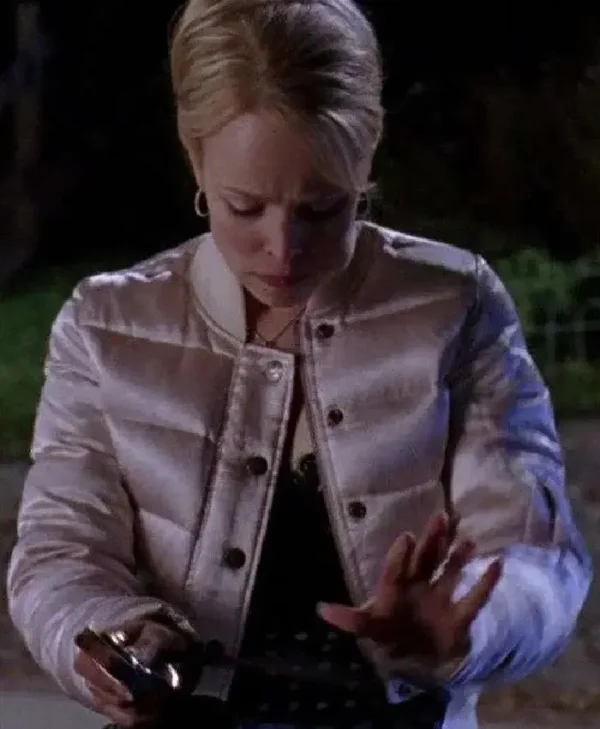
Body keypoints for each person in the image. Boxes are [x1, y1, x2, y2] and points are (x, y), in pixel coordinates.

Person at [7, 0, 592, 727]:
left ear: (366, 160)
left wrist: (472, 626)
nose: (283, 250)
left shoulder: (453, 304)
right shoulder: (109, 324)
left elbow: (536, 553)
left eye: (322, 209)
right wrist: (116, 635)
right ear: (195, 157)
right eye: (245, 207)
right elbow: (61, 552)